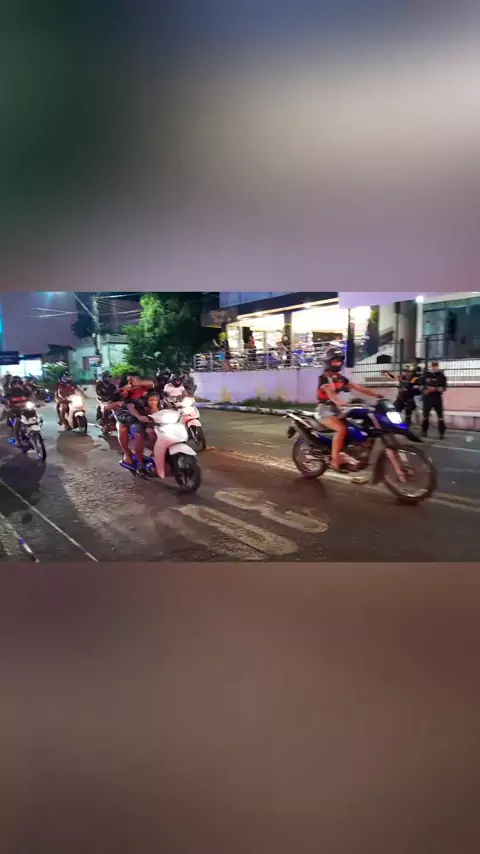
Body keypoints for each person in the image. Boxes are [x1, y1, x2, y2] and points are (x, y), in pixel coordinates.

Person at [315, 346, 382, 472]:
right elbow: (331, 394)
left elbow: (359, 388)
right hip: (324, 409)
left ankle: (350, 452)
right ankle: (335, 461)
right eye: (335, 361)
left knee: (355, 426)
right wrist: (340, 402)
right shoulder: (324, 378)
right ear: (328, 362)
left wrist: (377, 395)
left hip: (336, 409)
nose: (338, 364)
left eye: (339, 361)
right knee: (341, 428)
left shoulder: (341, 378)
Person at [114, 376, 154, 475]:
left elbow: (152, 384)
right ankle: (140, 463)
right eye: (129, 381)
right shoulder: (128, 395)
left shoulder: (148, 390)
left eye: (133, 380)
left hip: (155, 416)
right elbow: (131, 408)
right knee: (137, 434)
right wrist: (139, 417)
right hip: (136, 419)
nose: (131, 383)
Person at [3, 376, 33, 445]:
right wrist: (8, 404)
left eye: (19, 383)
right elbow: (5, 400)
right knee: (17, 422)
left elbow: (31, 397)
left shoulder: (25, 391)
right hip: (15, 411)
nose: (17, 385)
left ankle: (35, 432)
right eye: (15, 384)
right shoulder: (9, 393)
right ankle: (16, 439)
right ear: (12, 385)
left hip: (26, 409)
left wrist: (36, 403)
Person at [421, 360, 447, 439]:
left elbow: (443, 388)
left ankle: (441, 433)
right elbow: (421, 386)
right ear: (431, 366)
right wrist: (425, 389)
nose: (435, 367)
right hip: (427, 398)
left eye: (436, 366)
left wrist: (434, 389)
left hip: (437, 398)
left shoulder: (441, 375)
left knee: (440, 416)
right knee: (425, 416)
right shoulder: (426, 374)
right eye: (433, 366)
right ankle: (424, 431)